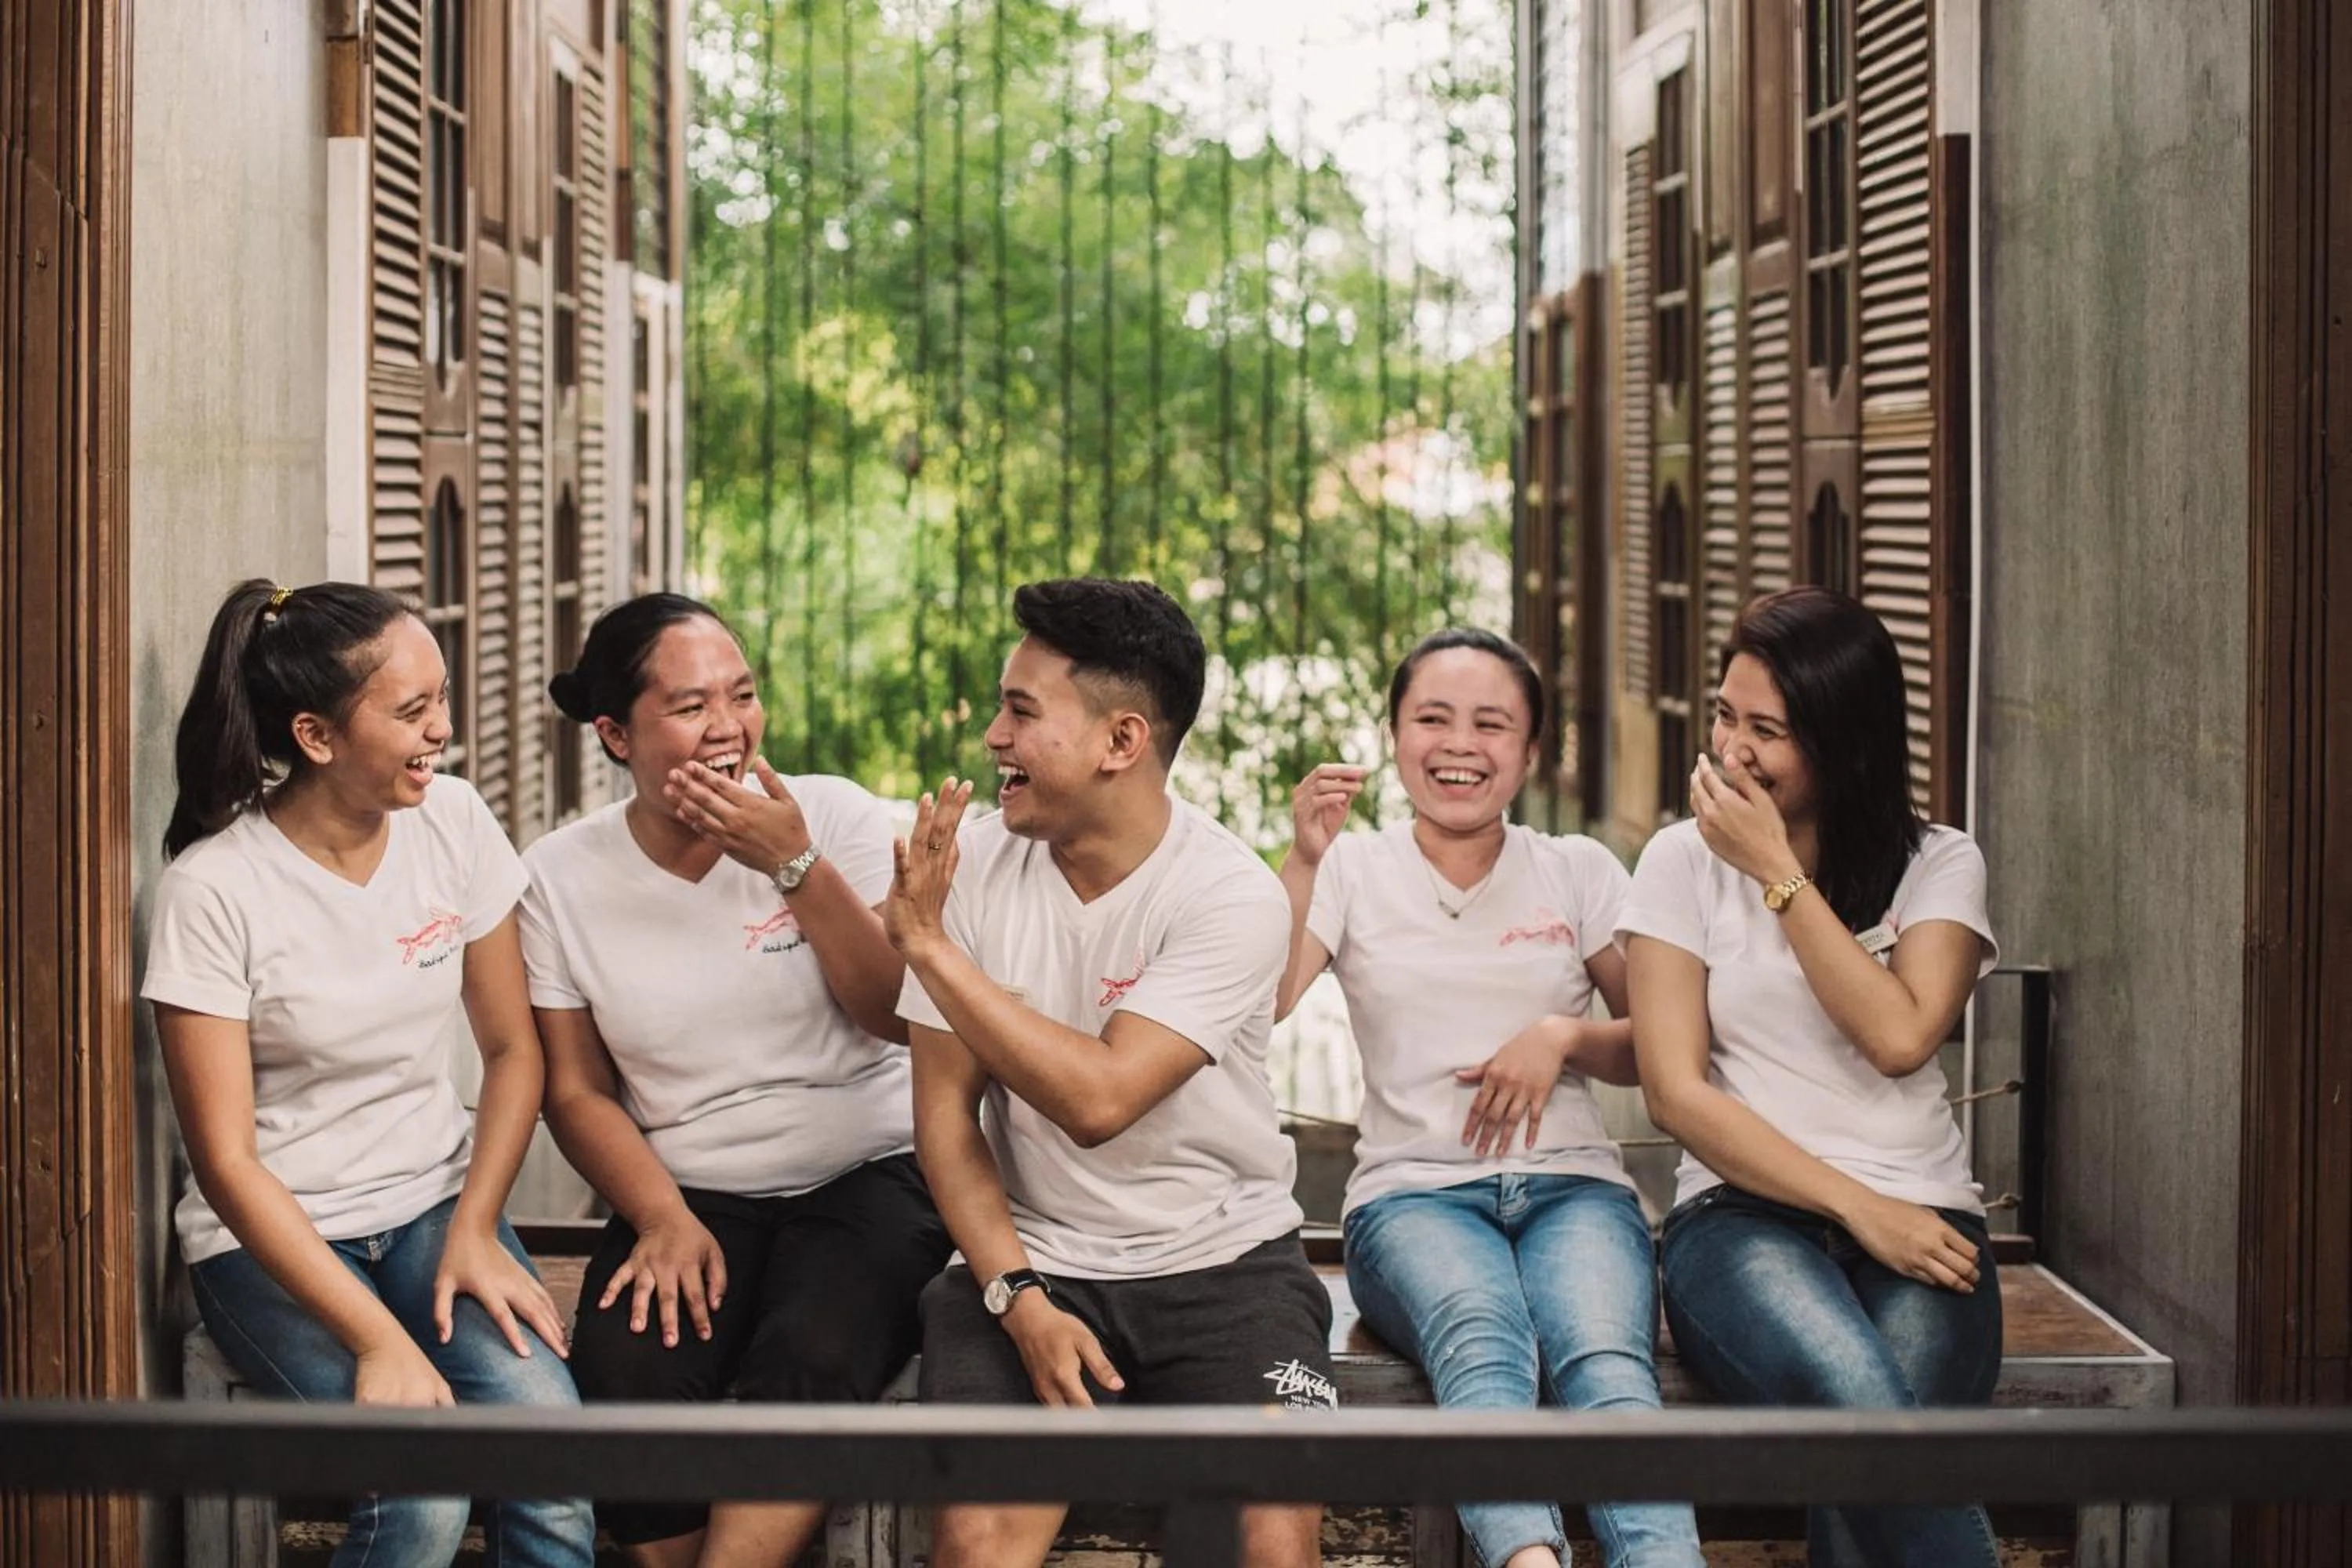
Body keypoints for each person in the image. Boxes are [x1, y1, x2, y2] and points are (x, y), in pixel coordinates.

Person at [143, 579, 593, 1568]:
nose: (444, 729)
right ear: (315, 734)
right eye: (411, 710)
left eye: (441, 695)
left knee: (552, 1450)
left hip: (434, 1205)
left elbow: (515, 1051)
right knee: (424, 1480)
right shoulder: (213, 888)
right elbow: (226, 1161)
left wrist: (476, 1225)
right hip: (272, 1239)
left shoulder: (455, 822)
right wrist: (378, 1336)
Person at [888, 578, 1333, 1568]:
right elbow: (945, 1121)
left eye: (1021, 710)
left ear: (1121, 741)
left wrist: (929, 949)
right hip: (1032, 1256)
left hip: (1227, 1262)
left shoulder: (1229, 896)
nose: (994, 735)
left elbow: (1101, 1098)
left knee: (1268, 1541)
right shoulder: (970, 880)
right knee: (977, 1543)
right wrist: (1019, 1296)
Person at [523, 593, 949, 1567]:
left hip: (870, 1167)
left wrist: (792, 864)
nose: (730, 725)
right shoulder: (557, 877)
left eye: (744, 695)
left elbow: (895, 1012)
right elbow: (577, 1089)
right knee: (623, 1366)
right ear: (614, 734)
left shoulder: (828, 814)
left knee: (814, 1351)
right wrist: (662, 1215)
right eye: (690, 706)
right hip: (689, 1184)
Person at [1276, 627, 1703, 1568]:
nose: (1459, 744)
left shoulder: (1578, 869)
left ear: (1531, 749)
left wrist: (1562, 1037)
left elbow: (1662, 1048)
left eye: (1491, 723)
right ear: (1394, 734)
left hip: (1574, 1187)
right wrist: (1303, 860)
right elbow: (1257, 1005)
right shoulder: (1353, 869)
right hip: (1411, 1197)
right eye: (1432, 717)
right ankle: (1528, 1561)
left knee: (1603, 1358)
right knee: (1482, 1331)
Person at [1617, 586, 2002, 1568]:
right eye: (1723, 715)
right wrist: (1856, 1206)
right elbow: (1677, 1092)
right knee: (1862, 1404)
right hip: (1743, 1220)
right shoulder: (1677, 861)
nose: (1730, 749)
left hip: (1927, 1218)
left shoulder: (1939, 864)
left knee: (1866, 1466)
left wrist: (1778, 875)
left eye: (1767, 731)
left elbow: (1903, 1034)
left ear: (1844, 740)